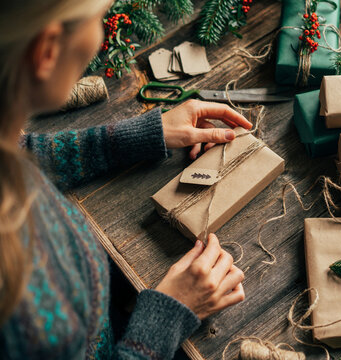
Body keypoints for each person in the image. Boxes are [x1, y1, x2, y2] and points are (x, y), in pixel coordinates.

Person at [0, 0, 251, 358]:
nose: (102, 34)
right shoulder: (27, 312)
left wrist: (135, 138)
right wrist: (169, 314)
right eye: (99, 19)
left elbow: (20, 151)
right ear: (47, 50)